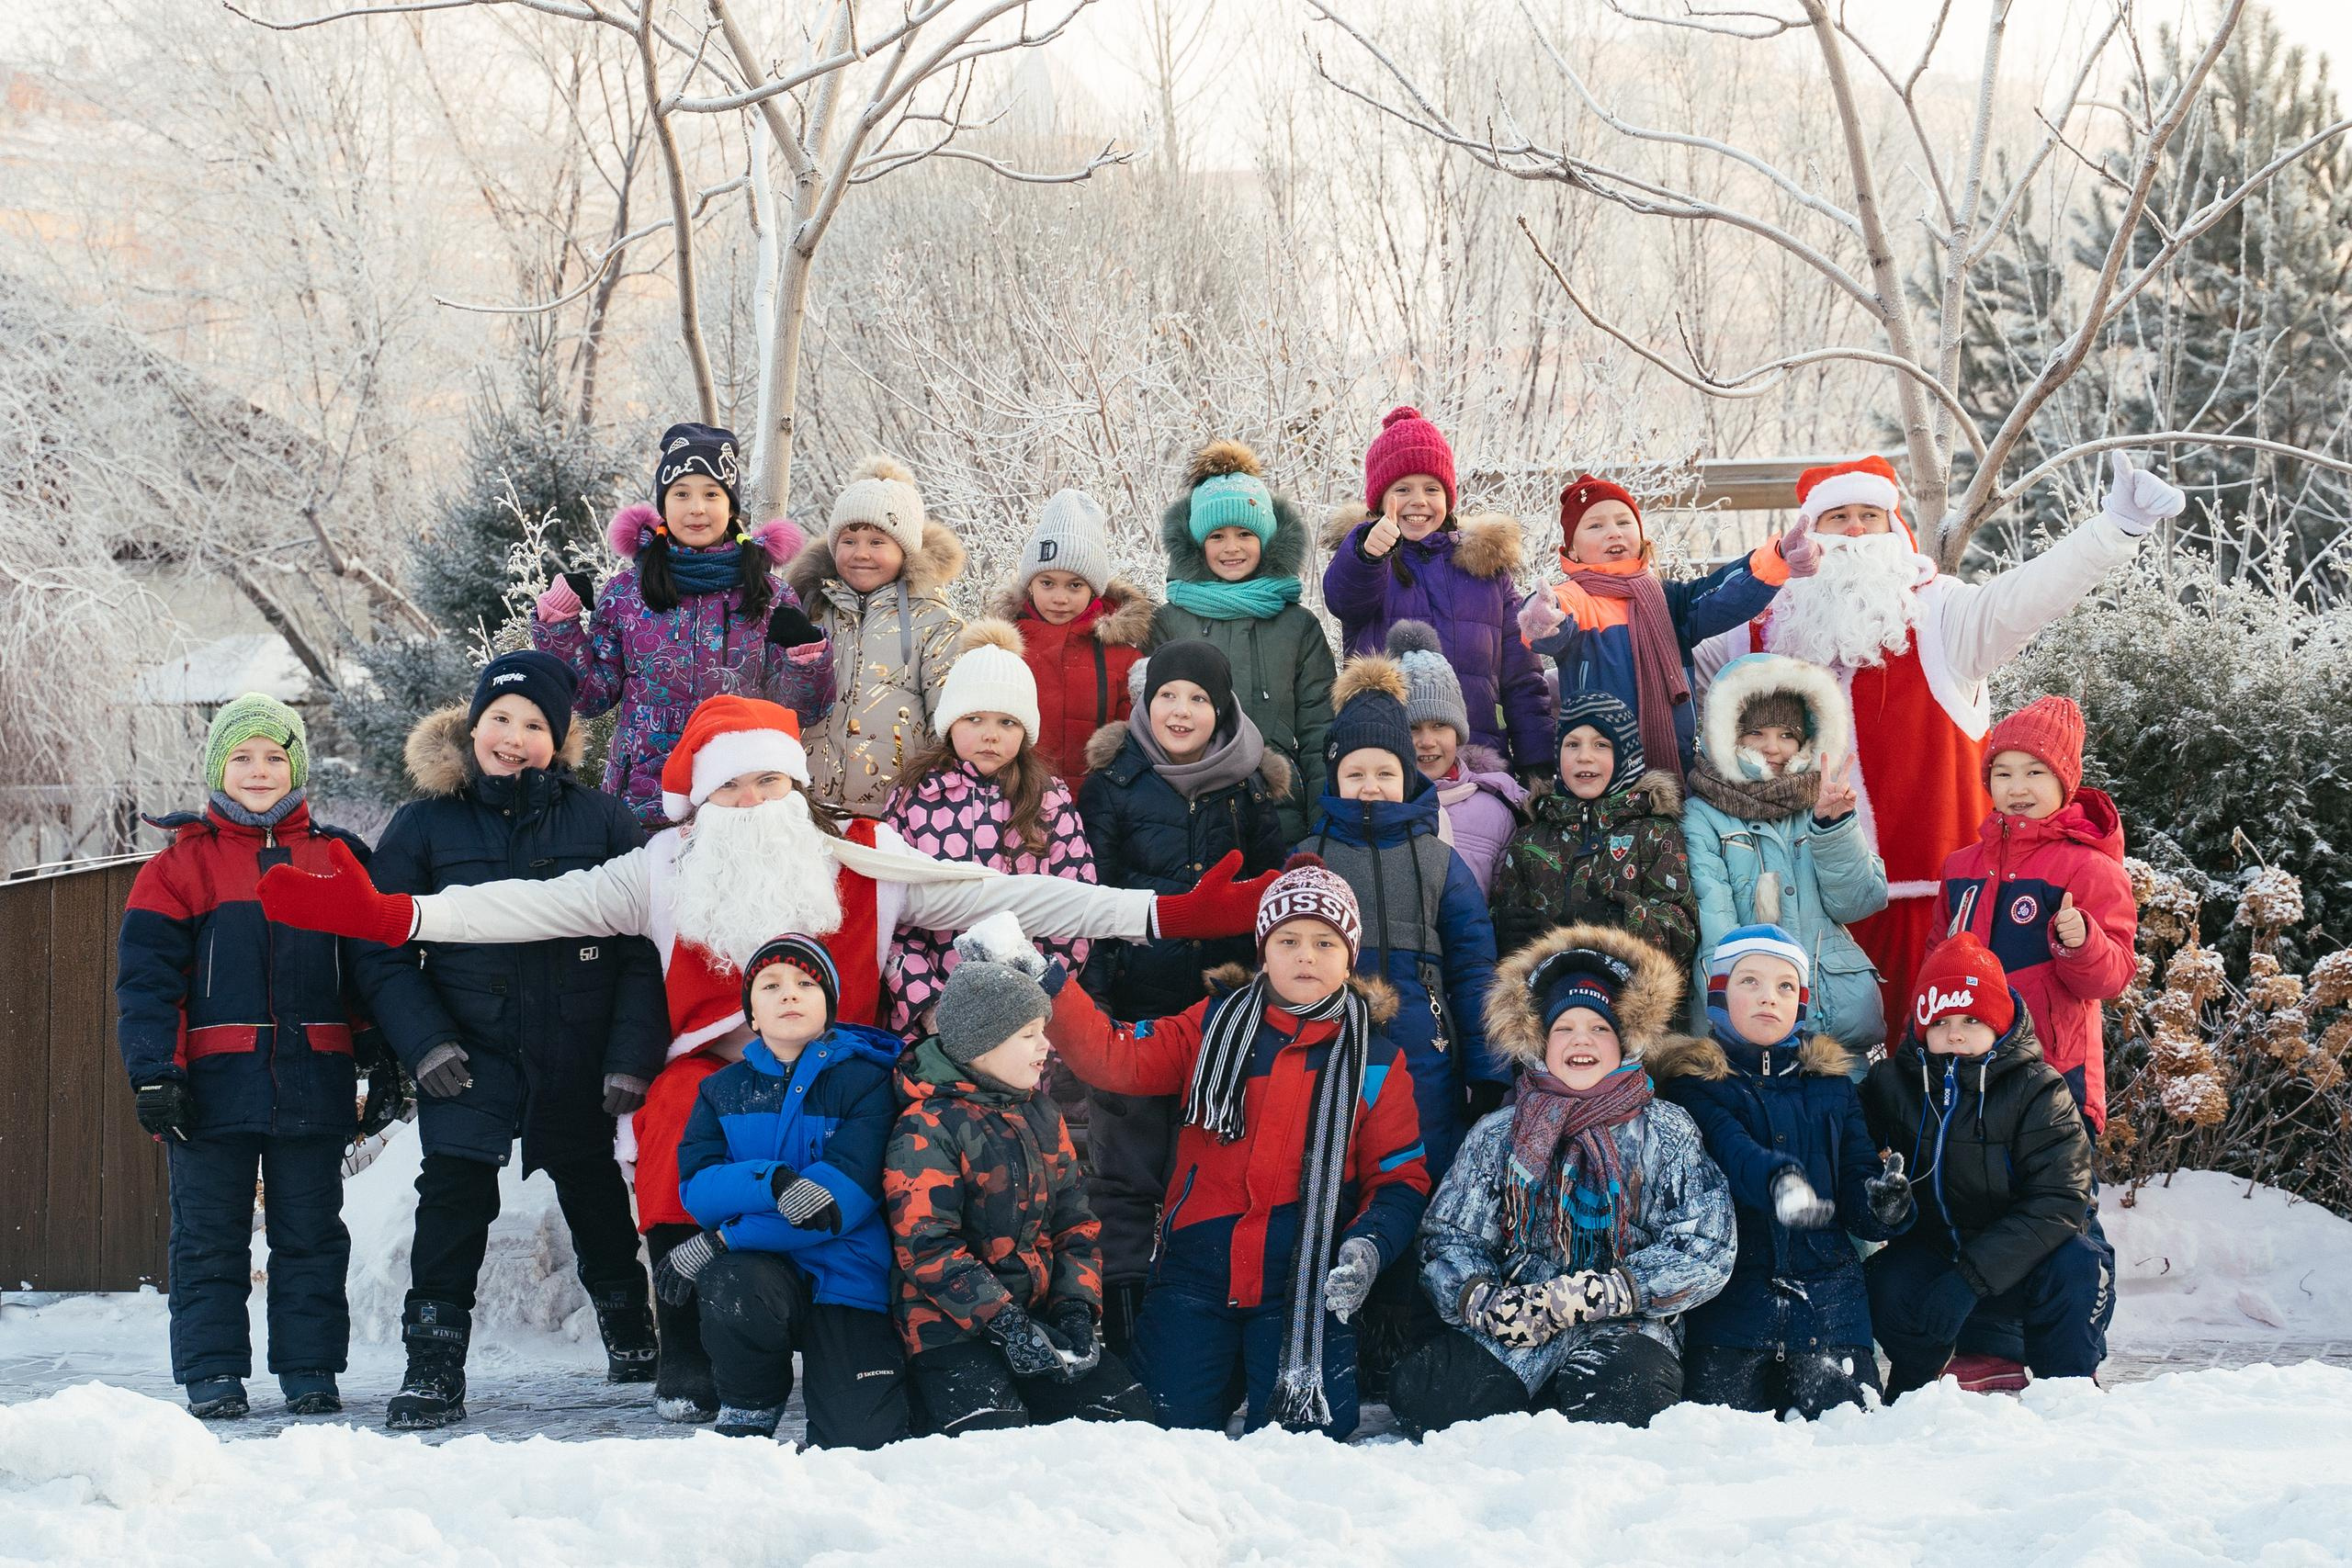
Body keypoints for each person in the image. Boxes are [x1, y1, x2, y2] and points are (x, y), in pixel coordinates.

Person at [254, 693, 1279, 1420]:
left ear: (798, 788)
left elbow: (1013, 894)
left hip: (849, 1069)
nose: (755, 802)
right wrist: (396, 914)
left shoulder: (866, 861)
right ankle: (692, 1341)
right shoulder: (659, 870)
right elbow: (522, 906)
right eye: (733, 786)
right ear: (700, 801)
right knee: (667, 1121)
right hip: (720, 1075)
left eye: (770, 781)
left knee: (886, 1144)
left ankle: (882, 1330)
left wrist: (1161, 911)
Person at [1695, 452, 2185, 1023]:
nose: (1855, 531)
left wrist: (2113, 530)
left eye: (1869, 516)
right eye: (1837, 518)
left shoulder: (1942, 616)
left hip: (1935, 906)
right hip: (1796, 909)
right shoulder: (1753, 632)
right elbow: (1656, 659)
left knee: (1929, 1076)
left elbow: (2029, 596)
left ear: (1894, 530)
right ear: (1809, 535)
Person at [355, 652, 670, 1429]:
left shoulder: (602, 820)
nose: (514, 735)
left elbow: (642, 948)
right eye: (501, 717)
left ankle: (631, 1333)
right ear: (472, 724)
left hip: (577, 1051)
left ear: (558, 741)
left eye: (535, 724)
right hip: (467, 1052)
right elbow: (377, 942)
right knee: (451, 1204)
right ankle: (432, 1365)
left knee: (596, 1198)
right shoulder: (425, 822)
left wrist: (629, 1055)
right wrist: (423, 1043)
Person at [1039, 855, 1431, 1438]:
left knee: (1307, 1441)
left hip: (1302, 1276)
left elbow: (1400, 1179)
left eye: (1325, 942)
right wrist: (1052, 988)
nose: (1305, 955)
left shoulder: (1377, 1060)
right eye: (1289, 939)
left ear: (1350, 956)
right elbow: (1113, 1058)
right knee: (1164, 1430)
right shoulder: (1212, 1026)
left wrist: (1367, 1248)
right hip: (1198, 1267)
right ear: (1263, 951)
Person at [115, 694, 387, 1420]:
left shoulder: (336, 859)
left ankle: (309, 1369)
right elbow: (147, 985)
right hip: (210, 1092)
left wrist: (382, 1056)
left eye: (274, 755)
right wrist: (154, 1073)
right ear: (216, 766)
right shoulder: (178, 867)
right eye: (242, 757)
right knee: (209, 1236)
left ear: (296, 764)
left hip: (313, 1083)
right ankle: (211, 1372)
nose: (259, 770)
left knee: (311, 1236)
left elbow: (370, 972)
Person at [1388, 924, 1735, 1435]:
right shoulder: (1500, 1133)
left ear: (1625, 1041)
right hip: (1521, 1315)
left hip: (1626, 1318)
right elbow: (1448, 1238)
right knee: (1429, 1399)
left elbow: (1707, 1246)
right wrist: (1482, 1300)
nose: (1581, 1040)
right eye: (1564, 1028)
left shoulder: (1666, 1128)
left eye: (1599, 1028)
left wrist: (1606, 1293)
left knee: (1620, 1398)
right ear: (1539, 1043)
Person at [1076, 640, 1292, 1350]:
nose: (1181, 709)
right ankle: (1126, 1325)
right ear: (1146, 701)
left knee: (1206, 1168)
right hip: (1138, 1004)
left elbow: (1271, 899)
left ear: (1221, 708)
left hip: (1221, 1015)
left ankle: (1189, 1322)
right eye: (1169, 694)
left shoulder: (1253, 787)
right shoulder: (1113, 781)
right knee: (1126, 1172)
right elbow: (1093, 896)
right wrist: (1097, 995)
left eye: (1199, 698)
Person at [885, 916, 1155, 1433]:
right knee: (995, 1434)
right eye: (1029, 1035)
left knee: (1124, 1421)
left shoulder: (1041, 1114)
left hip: (1038, 1319)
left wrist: (1076, 1310)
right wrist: (1004, 1324)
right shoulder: (927, 1125)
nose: (1045, 1048)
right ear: (983, 1047)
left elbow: (1076, 1223)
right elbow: (927, 1248)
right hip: (950, 1327)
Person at [650, 937, 907, 1445]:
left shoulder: (868, 1082)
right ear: (751, 1011)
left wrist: (725, 1240)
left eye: (806, 984)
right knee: (730, 1282)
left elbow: (836, 1206)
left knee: (860, 1440)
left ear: (829, 1004)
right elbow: (698, 1191)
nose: (789, 995)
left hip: (849, 1275)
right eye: (771, 986)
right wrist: (773, 1181)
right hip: (764, 1276)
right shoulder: (721, 1091)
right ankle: (751, 1401)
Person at [1651, 925, 1914, 1418]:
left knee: (1848, 1433)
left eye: (1785, 986)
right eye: (1749, 981)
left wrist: (1884, 1203)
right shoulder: (1694, 1086)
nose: (1768, 998)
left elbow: (1858, 1182)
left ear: (1803, 1001)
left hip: (1828, 1306)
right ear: (1718, 994)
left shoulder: (1832, 1088)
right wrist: (1781, 1181)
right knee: (1722, 1443)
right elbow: (1732, 1149)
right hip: (1732, 1312)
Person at [531, 422, 828, 827]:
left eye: (712, 494)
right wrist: (560, 623)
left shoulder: (769, 594)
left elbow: (797, 711)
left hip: (740, 798)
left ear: (731, 506)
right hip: (643, 797)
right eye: (681, 494)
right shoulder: (627, 593)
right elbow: (593, 694)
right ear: (663, 505)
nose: (697, 508)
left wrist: (804, 658)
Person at [1861, 934, 2114, 1398]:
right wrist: (1886, 1205)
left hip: (2032, 1253)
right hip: (1943, 1248)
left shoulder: (2039, 1089)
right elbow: (1859, 1162)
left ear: (1999, 1025)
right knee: (1885, 1282)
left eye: (1972, 1019)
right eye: (1941, 1020)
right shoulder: (1891, 1086)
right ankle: (1923, 1381)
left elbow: (2061, 1201)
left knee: (2076, 1266)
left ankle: (2069, 1385)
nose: (1955, 1033)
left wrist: (1970, 1279)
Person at [1300, 649, 1503, 1180]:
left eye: (1386, 772)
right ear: (1334, 776)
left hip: (1424, 1047)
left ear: (1408, 776)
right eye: (1355, 772)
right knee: (1334, 1160)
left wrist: (1485, 1068)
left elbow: (1475, 965)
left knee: (1423, 1159)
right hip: (1324, 1040)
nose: (1370, 787)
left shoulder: (1438, 860)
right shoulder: (1309, 855)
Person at [1520, 474, 1814, 780]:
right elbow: (1549, 619)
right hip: (1600, 768)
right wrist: (1541, 619)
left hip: (1675, 758)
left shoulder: (1668, 600)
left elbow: (1722, 595)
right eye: (1595, 526)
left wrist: (1776, 559)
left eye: (1623, 522)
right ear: (1572, 551)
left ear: (1641, 534)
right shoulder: (1575, 598)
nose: (1613, 533)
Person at [882, 622, 1096, 1037]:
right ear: (950, 722)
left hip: (1027, 1017)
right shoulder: (915, 796)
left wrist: (1037, 996)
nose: (990, 735)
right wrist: (928, 1004)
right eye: (974, 718)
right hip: (933, 1020)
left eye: (1007, 723)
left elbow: (1076, 905)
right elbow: (891, 913)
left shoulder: (1048, 799)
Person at [1934, 694, 2136, 1134]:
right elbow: (1937, 958)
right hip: (1967, 1060)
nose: (2017, 787)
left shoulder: (2088, 866)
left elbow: (2111, 977)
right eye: (2003, 773)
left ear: (2065, 781)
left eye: (2034, 772)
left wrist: (2083, 943)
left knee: (2055, 1194)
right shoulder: (1960, 866)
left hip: (2055, 1069)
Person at [1321, 407, 1551, 774]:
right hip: (1388, 769)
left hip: (1477, 766)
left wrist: (1537, 763)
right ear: (1380, 500)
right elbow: (1341, 597)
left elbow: (1522, 678)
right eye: (1402, 490)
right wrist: (1366, 553)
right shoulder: (1369, 563)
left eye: (1432, 488)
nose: (1419, 501)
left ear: (1448, 496)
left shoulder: (1487, 572)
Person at [1681, 653, 1887, 1058]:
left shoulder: (1823, 803)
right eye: (1756, 733)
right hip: (1750, 1031)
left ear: (1806, 741)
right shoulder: (1703, 815)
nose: (1773, 748)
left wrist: (1834, 828)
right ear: (1727, 735)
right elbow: (1717, 926)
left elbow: (1859, 903)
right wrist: (1728, 1019)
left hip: (1835, 1022)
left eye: (1787, 734)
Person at [1149, 438, 1336, 839]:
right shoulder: (1167, 622)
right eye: (1216, 536)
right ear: (1198, 545)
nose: (1231, 547)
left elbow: (1320, 730)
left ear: (1265, 540)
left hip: (1281, 810)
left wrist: (1324, 823)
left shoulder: (1298, 626)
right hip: (1185, 810)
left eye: (1244, 534)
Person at [786, 455, 968, 816]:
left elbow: (948, 721)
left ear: (905, 549)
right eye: (849, 540)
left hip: (894, 812)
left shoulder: (934, 622)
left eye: (877, 541)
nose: (861, 554)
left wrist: (925, 797)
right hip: (805, 804)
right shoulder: (811, 609)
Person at [1488, 692, 1696, 967]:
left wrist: (1619, 916)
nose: (1584, 757)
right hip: (1549, 997)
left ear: (1627, 756)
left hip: (1634, 997)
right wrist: (1503, 930)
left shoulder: (1655, 833)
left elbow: (1682, 931)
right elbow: (1502, 917)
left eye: (1601, 745)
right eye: (1572, 745)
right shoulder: (1530, 839)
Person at [986, 488, 1151, 783]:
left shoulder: (1122, 656)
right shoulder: (1003, 648)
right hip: (1015, 800)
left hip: (1096, 805)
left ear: (1093, 589)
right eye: (1048, 583)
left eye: (1075, 585)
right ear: (1030, 584)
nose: (1060, 598)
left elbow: (1138, 735)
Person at [1388, 619, 1527, 896]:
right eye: (1412, 728)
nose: (1427, 742)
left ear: (1459, 732)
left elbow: (1504, 902)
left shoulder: (1495, 813)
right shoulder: (1379, 805)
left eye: (1439, 725)